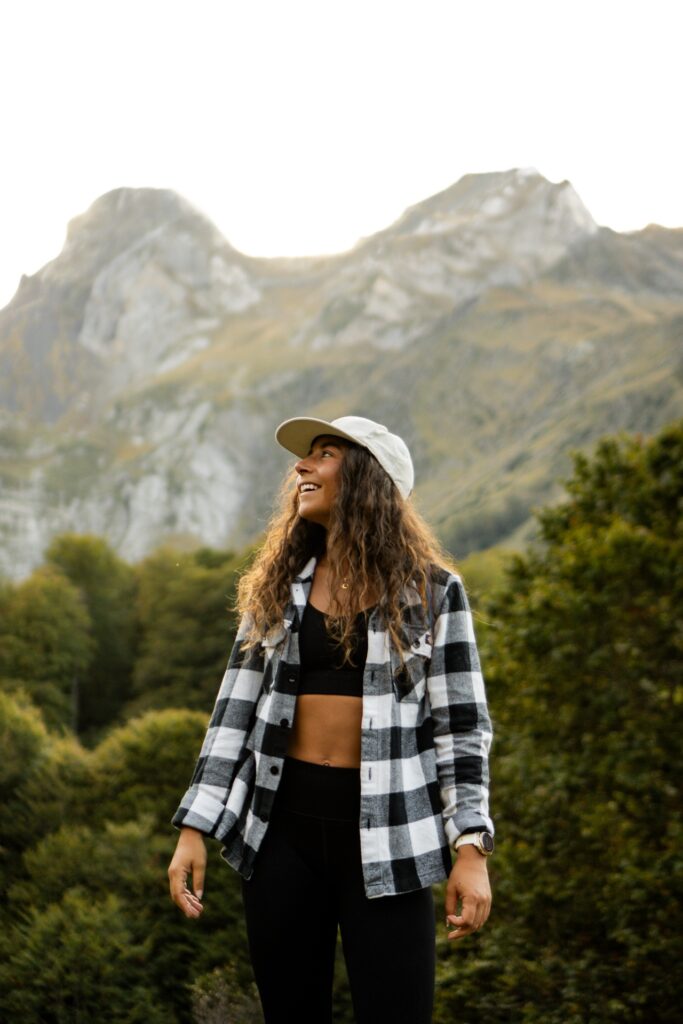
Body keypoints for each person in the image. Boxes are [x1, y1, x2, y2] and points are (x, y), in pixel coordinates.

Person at [168, 414, 494, 1024]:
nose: (301, 467)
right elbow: (232, 710)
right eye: (305, 456)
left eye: (323, 454)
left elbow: (462, 727)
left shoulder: (434, 592)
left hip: (391, 843)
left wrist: (470, 847)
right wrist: (196, 826)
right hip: (279, 837)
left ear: (370, 479)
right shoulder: (277, 588)